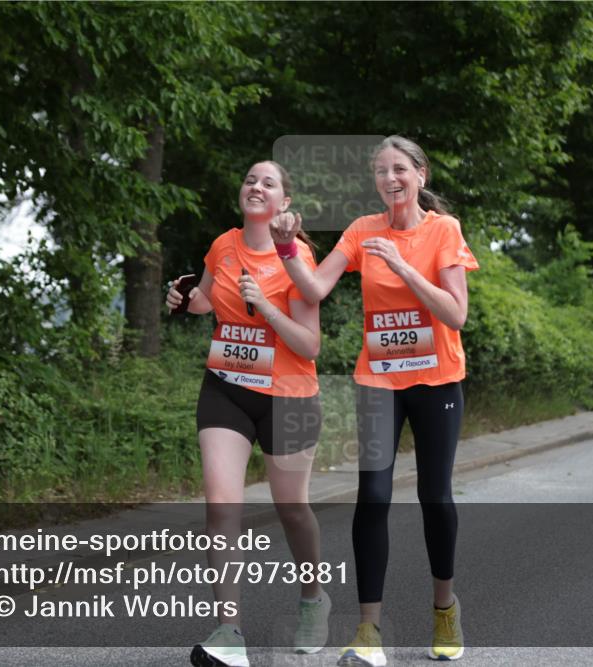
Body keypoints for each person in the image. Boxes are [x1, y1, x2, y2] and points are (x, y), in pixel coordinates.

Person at [271, 135, 479, 665]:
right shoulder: (363, 230)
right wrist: (287, 249)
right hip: (380, 381)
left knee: (435, 496)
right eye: (381, 171)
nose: (390, 179)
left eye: (400, 169)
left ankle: (444, 609)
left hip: (437, 382)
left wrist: (406, 268)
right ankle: (369, 631)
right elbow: (314, 289)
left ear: (420, 176)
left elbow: (456, 315)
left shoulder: (443, 231)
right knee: (375, 497)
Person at [166, 161, 330, 667]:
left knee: (292, 510)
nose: (256, 187)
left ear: (284, 204)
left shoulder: (296, 257)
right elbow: (206, 298)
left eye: (269, 182)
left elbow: (310, 343)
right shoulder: (223, 244)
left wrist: (266, 305)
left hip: (289, 394)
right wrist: (183, 298)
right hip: (227, 388)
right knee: (221, 505)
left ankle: (312, 598)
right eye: (250, 179)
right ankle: (229, 631)